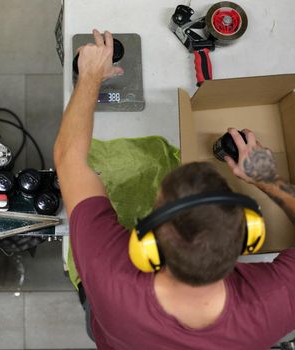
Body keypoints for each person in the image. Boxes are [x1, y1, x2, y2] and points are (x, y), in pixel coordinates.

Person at [53, 29, 295, 350]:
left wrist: (90, 76)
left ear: (147, 245)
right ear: (249, 235)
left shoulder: (108, 274)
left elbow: (69, 158)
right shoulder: (275, 302)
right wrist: (267, 180)